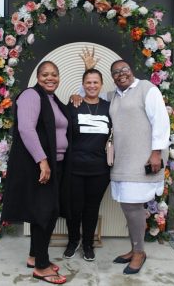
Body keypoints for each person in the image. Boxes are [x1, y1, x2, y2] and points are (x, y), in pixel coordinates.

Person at [71, 56, 170, 274]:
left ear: (131, 70)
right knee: (128, 206)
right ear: (113, 78)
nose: (121, 74)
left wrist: (156, 153)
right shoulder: (112, 96)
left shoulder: (147, 89)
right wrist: (78, 92)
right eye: (115, 72)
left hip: (142, 159)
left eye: (124, 69)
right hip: (121, 161)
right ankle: (134, 248)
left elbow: (162, 122)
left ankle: (140, 252)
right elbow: (90, 93)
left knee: (134, 207)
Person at [1, 61, 72, 284]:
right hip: (40, 166)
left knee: (46, 214)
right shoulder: (32, 95)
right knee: (45, 215)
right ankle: (41, 266)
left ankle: (35, 256)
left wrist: (78, 97)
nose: (50, 78)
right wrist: (43, 161)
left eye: (54, 74)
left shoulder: (53, 100)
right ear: (37, 76)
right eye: (45, 74)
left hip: (56, 164)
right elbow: (25, 128)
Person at [63, 68, 111, 262]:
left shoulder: (109, 107)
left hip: (100, 170)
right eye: (88, 82)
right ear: (83, 85)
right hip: (74, 168)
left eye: (95, 82)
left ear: (101, 85)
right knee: (74, 208)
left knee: (92, 209)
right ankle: (73, 241)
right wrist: (74, 95)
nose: (92, 85)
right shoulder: (74, 104)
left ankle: (88, 244)